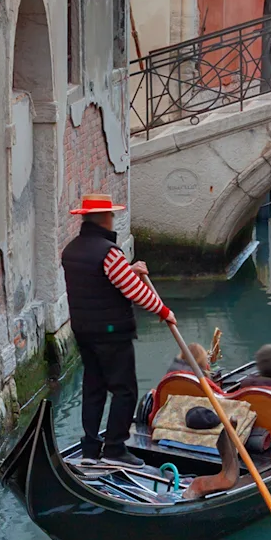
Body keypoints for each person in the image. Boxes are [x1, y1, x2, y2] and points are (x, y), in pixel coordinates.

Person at [61, 194, 176, 468]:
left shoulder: (71, 249)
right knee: (124, 390)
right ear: (104, 218)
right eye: (111, 214)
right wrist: (163, 311)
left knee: (94, 388)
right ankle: (114, 448)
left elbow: (100, 281)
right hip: (112, 332)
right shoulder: (109, 252)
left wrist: (129, 269)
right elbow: (134, 291)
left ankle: (90, 448)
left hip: (84, 331)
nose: (113, 218)